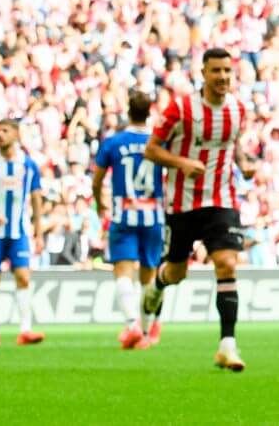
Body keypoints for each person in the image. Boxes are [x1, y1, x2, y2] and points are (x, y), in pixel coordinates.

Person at [141, 49, 258, 371]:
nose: (222, 77)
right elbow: (150, 150)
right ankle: (159, 284)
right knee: (177, 273)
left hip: (221, 199)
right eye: (216, 71)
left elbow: (231, 147)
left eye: (227, 71)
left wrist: (244, 165)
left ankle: (227, 345)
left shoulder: (238, 110)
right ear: (203, 73)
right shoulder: (181, 108)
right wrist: (181, 163)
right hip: (182, 203)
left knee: (226, 263)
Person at [91, 90, 165, 350]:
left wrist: (100, 203)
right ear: (149, 112)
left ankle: (133, 324)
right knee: (150, 275)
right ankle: (146, 330)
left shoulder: (114, 143)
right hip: (154, 215)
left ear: (127, 111)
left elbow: (98, 178)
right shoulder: (159, 142)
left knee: (123, 271)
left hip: (123, 214)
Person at [0, 120, 46, 347]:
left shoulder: (28, 165)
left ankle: (25, 329)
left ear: (16, 134)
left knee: (24, 276)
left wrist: (39, 232)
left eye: (5, 130)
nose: (1, 135)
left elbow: (36, 198)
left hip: (19, 231)